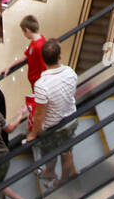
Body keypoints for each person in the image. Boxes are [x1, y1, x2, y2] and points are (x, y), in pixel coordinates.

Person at [26, 39, 79, 187]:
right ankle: (63, 179)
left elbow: (40, 114)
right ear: (59, 56)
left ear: (43, 59)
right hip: (71, 119)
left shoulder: (41, 85)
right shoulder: (71, 72)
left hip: (52, 127)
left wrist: (33, 134)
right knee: (67, 152)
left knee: (49, 152)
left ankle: (49, 172)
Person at [8, 15, 47, 91]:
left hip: (39, 85)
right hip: (35, 83)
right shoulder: (34, 42)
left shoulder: (39, 46)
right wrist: (10, 66)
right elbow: (25, 56)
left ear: (27, 30)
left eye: (23, 32)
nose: (23, 34)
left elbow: (44, 67)